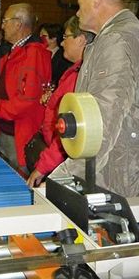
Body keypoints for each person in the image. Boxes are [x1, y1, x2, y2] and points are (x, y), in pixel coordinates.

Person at [50, 0, 139, 197]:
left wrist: (65, 177)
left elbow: (101, 119)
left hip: (124, 178)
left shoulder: (116, 40)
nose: (77, 13)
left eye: (80, 5)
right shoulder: (135, 33)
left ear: (96, 0)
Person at [0, 3, 51, 173]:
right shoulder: (15, 51)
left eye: (5, 21)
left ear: (18, 23)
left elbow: (26, 102)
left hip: (19, 135)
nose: (2, 26)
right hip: (7, 131)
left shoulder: (33, 54)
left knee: (19, 187)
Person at [27, 16, 92, 187]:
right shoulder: (74, 71)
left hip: (63, 160)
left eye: (66, 37)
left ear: (81, 40)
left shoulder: (80, 77)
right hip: (57, 154)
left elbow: (70, 132)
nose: (62, 43)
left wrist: (42, 167)